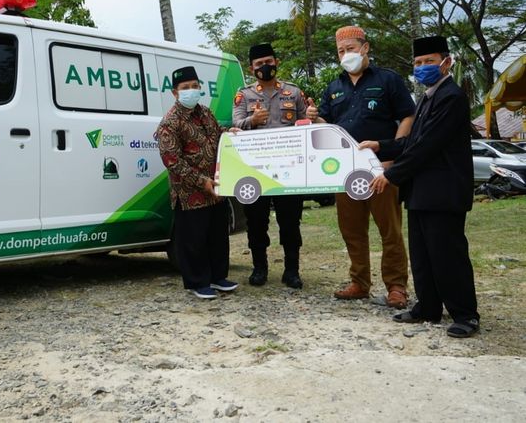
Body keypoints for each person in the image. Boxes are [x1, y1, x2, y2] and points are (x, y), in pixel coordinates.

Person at [360, 35, 480, 338]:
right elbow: (411, 141)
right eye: (417, 63)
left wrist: (391, 175)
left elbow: (427, 146)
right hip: (422, 191)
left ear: (446, 62)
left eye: (428, 61)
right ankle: (428, 307)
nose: (422, 67)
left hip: (444, 190)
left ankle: (465, 314)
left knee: (447, 254)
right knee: (423, 254)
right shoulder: (428, 97)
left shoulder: (451, 97)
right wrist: (381, 145)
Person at [307, 26, 415, 308]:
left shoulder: (388, 80)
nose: (346, 55)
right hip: (345, 172)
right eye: (341, 51)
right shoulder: (334, 88)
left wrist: (392, 158)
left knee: (389, 230)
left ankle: (396, 286)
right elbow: (327, 127)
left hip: (381, 168)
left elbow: (407, 116)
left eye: (351, 49)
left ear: (365, 48)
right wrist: (313, 117)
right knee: (352, 230)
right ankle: (359, 282)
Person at [156, 66, 239, 299]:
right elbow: (171, 159)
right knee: (194, 239)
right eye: (185, 88)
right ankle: (197, 282)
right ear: (175, 92)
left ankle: (217, 277)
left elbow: (216, 134)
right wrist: (200, 180)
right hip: (190, 193)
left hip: (216, 185)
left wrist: (229, 132)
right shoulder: (170, 122)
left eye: (194, 86)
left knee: (217, 235)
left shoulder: (204, 113)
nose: (191, 91)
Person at [232, 43, 306, 288]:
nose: (265, 67)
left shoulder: (293, 93)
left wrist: (312, 117)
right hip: (256, 170)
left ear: (276, 61)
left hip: (289, 170)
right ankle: (259, 268)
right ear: (251, 68)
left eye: (269, 61)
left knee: (290, 221)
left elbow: (307, 120)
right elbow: (235, 125)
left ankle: (292, 270)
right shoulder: (244, 95)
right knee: (256, 221)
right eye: (259, 64)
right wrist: (252, 120)